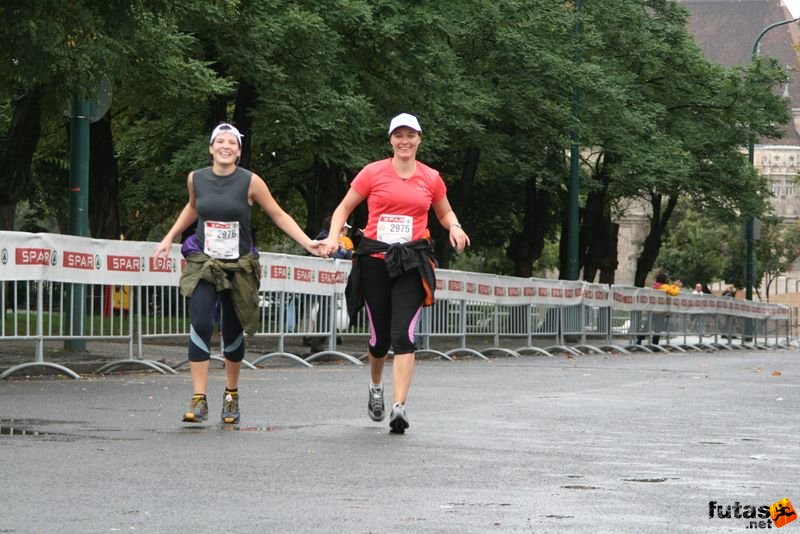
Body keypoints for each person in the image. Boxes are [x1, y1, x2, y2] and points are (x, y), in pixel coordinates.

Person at [155, 123, 323, 424]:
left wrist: (308, 242)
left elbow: (278, 214)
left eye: (231, 142)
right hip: (204, 262)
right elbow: (193, 208)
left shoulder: (250, 182)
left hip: (239, 266)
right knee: (201, 321)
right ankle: (199, 399)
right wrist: (170, 236)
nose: (225, 146)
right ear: (211, 148)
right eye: (219, 141)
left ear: (239, 151)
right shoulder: (196, 179)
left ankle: (231, 396)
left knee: (232, 329)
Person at [321, 112, 470, 434]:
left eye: (411, 135)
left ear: (419, 139)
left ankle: (399, 407)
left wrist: (455, 227)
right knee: (380, 339)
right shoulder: (372, 172)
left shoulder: (430, 177)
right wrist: (333, 237)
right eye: (399, 135)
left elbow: (444, 212)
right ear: (391, 140)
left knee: (404, 336)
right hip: (374, 259)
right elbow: (344, 208)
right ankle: (376, 387)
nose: (405, 141)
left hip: (412, 261)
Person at [650, 272, 681, 345]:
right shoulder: (664, 287)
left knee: (647, 325)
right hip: (660, 310)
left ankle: (639, 339)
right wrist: (677, 287)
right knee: (658, 327)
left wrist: (674, 285)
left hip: (652, 309)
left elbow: (668, 288)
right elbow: (674, 293)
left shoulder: (655, 286)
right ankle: (655, 344)